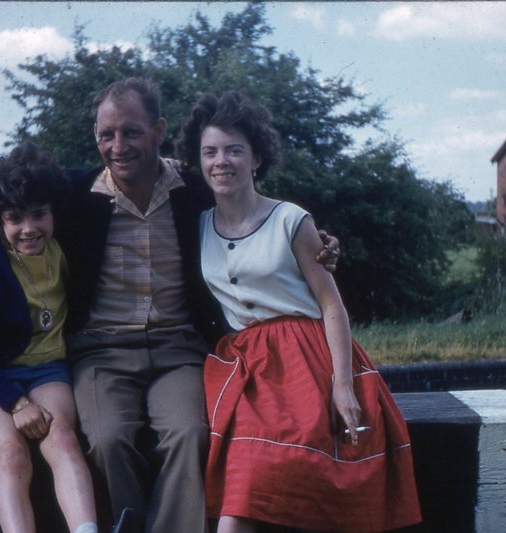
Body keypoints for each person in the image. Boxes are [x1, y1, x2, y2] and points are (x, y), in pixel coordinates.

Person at [0, 77, 339, 533]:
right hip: (101, 350)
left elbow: (254, 211)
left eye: (131, 132)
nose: (118, 146)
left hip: (179, 348)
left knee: (191, 434)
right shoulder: (77, 193)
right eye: (106, 135)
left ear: (159, 130)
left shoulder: (193, 188)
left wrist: (317, 242)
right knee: (108, 438)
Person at [174, 91, 422, 532]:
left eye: (234, 150)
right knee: (239, 491)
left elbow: (332, 304)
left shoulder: (291, 220)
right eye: (210, 152)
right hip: (246, 370)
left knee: (296, 476)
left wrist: (342, 385)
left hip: (306, 360)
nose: (221, 161)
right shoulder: (199, 223)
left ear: (256, 158)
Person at [0, 142, 102, 533]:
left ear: (54, 213)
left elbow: (93, 174)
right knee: (11, 452)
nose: (29, 228)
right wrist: (16, 403)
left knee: (62, 438)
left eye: (39, 215)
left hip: (46, 367)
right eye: (15, 218)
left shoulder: (63, 248)